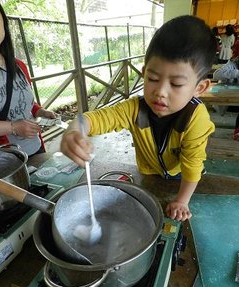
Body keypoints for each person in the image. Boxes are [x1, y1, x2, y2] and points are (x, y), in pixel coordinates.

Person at [61, 15, 217, 222]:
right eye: (153, 79)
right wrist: (74, 130)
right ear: (144, 73)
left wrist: (181, 201)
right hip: (149, 174)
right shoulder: (135, 108)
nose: (160, 92)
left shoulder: (196, 119)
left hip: (183, 176)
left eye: (176, 84)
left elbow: (193, 165)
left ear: (199, 88)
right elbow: (96, 118)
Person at [0, 0, 57, 157]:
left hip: (36, 147)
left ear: (3, 22)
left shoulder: (19, 65)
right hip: (9, 158)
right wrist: (14, 127)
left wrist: (42, 112)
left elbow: (26, 102)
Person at [212, 56, 239, 140]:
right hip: (229, 102)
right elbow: (216, 75)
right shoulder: (232, 63)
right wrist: (238, 73)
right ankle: (238, 132)